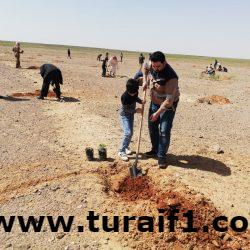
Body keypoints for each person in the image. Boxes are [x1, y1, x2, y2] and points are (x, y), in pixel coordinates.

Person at [142, 51, 180, 168]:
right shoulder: (152, 64)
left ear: (164, 62)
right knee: (152, 127)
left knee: (164, 130)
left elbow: (168, 101)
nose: (155, 68)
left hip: (168, 106)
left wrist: (158, 113)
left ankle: (162, 156)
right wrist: (144, 80)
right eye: (153, 66)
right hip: (154, 102)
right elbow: (144, 67)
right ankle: (155, 149)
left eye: (158, 66)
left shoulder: (171, 76)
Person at [118, 79, 144, 161]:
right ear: (127, 89)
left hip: (131, 115)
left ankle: (126, 147)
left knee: (131, 133)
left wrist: (141, 101)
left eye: (134, 92)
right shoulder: (124, 97)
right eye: (131, 93)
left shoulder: (135, 91)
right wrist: (136, 111)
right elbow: (126, 110)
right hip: (125, 115)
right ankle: (121, 151)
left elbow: (135, 98)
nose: (133, 94)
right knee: (127, 133)